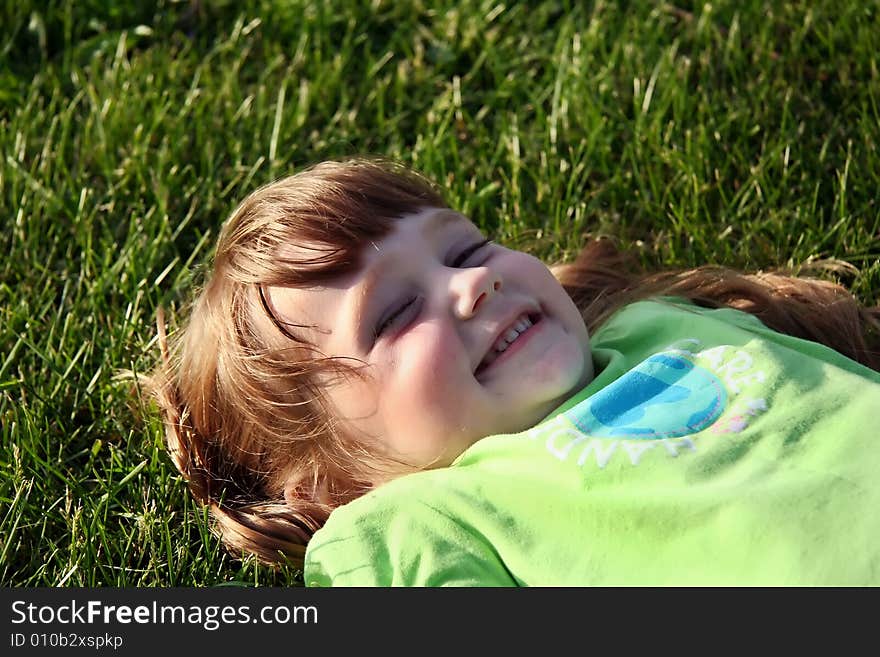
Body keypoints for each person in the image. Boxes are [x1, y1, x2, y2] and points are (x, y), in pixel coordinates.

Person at [146, 157, 880, 586]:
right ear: (335, 482)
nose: (473, 285)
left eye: (467, 249)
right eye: (397, 313)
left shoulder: (652, 327)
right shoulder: (411, 523)